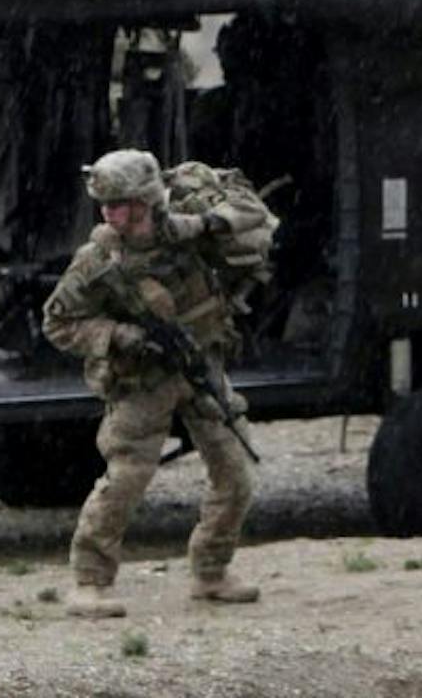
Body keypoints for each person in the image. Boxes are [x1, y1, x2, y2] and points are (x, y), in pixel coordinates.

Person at [43, 149, 262, 618]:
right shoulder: (99, 260)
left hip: (199, 367)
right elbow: (58, 323)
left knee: (236, 471)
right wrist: (119, 336)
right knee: (126, 479)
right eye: (105, 205)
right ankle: (90, 581)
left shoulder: (185, 224)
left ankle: (211, 571)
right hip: (144, 380)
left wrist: (206, 226)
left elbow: (253, 213)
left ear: (146, 202)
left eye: (120, 203)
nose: (110, 213)